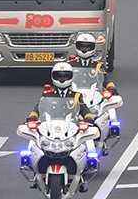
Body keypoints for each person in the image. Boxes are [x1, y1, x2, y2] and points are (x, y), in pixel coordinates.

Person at [27, 63, 95, 191]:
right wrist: (32, 117)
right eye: (59, 76)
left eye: (65, 76)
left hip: (71, 126)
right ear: (53, 77)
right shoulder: (47, 95)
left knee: (86, 141)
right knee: (34, 141)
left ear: (70, 77)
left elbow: (84, 109)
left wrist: (89, 118)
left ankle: (83, 173)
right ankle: (36, 174)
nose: (62, 79)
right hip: (51, 126)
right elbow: (37, 109)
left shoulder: (76, 96)